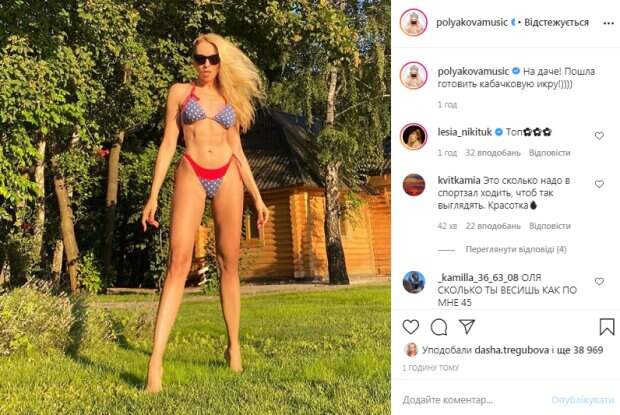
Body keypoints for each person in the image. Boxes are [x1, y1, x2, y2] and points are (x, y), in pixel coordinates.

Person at [141, 33, 269, 394]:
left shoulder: (231, 98)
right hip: (192, 171)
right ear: (193, 61)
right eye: (200, 59)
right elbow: (169, 143)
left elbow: (237, 150)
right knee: (178, 262)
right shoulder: (180, 93)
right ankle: (155, 364)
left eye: (213, 59)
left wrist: (257, 197)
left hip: (228, 175)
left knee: (229, 262)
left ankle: (234, 347)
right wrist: (153, 195)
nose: (207, 65)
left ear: (221, 61)